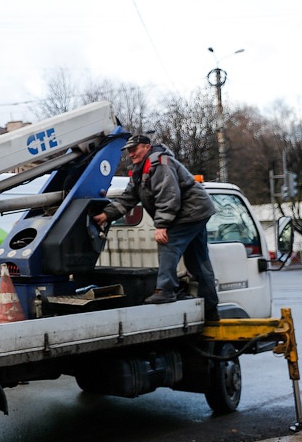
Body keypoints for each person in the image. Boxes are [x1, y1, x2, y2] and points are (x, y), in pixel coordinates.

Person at [92, 134, 220, 321]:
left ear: (146, 147)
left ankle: (165, 290)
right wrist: (106, 215)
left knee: (168, 243)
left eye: (134, 149)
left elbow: (168, 195)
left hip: (190, 212)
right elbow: (129, 197)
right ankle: (210, 309)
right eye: (129, 151)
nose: (131, 154)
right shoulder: (140, 169)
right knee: (198, 261)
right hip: (196, 211)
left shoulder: (159, 163)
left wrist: (162, 225)